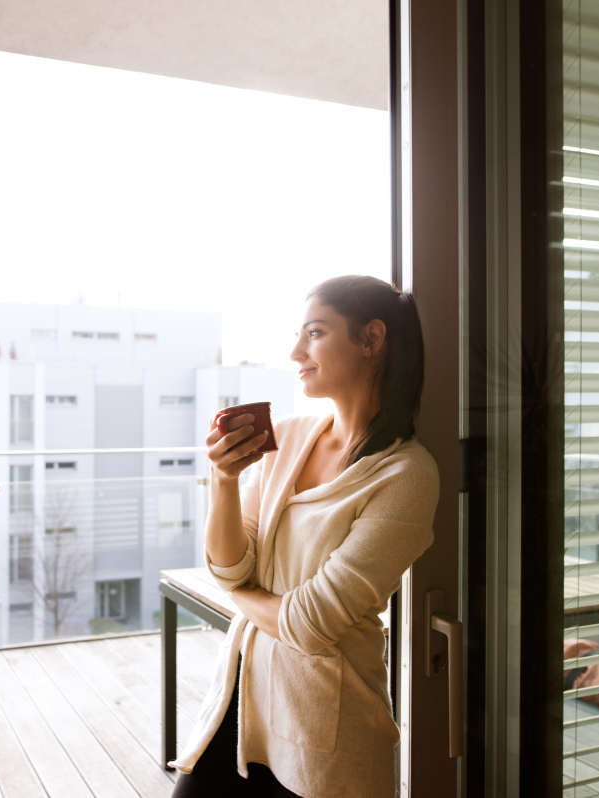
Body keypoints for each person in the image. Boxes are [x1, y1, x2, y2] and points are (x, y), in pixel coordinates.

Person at [169, 275, 440, 798]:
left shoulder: (405, 475)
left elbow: (310, 623)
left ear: (371, 339)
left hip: (328, 734)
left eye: (314, 333)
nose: (296, 351)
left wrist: (238, 597)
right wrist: (224, 482)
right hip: (240, 698)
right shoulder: (289, 437)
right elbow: (230, 566)